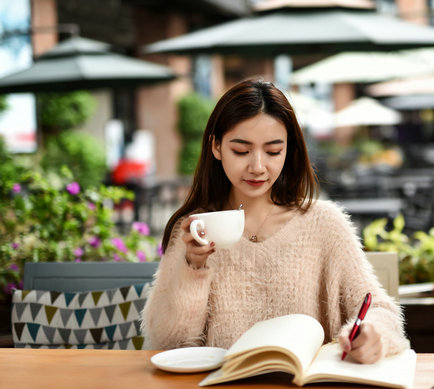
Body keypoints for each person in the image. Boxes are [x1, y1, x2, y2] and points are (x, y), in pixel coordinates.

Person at [141, 78, 409, 364]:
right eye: (241, 151)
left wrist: (372, 334)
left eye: (272, 151)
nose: (257, 167)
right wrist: (193, 268)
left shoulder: (324, 224)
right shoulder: (195, 228)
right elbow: (168, 345)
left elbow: (380, 309)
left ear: (289, 150)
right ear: (216, 147)